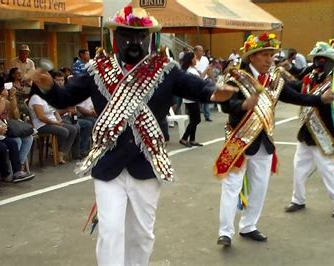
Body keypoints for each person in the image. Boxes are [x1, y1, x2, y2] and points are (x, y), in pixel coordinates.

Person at [29, 5, 239, 265]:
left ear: (150, 38)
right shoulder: (98, 70)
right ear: (115, 36)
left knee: (141, 234)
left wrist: (216, 92)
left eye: (141, 36)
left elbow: (195, 87)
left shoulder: (165, 69)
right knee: (110, 231)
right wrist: (49, 86)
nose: (134, 41)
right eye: (128, 35)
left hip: (146, 163)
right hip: (108, 164)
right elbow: (65, 98)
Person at [214, 34, 334, 247]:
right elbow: (226, 105)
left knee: (260, 185)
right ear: (252, 57)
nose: (270, 59)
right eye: (265, 55)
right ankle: (225, 232)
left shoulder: (275, 79)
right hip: (238, 139)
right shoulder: (235, 77)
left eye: (272, 55)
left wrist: (319, 99)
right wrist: (243, 106)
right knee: (232, 185)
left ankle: (249, 225)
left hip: (264, 140)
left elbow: (294, 97)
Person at [284, 42, 334, 218]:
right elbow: (293, 88)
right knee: (298, 168)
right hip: (305, 133)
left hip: (324, 134)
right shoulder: (308, 80)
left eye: (323, 60)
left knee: (328, 170)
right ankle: (298, 199)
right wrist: (280, 78)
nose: (318, 63)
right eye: (316, 60)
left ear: (330, 63)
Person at [179, 52, 203, 148]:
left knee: (194, 119)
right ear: (190, 60)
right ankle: (184, 138)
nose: (195, 60)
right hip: (192, 98)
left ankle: (192, 139)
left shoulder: (190, 70)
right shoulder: (191, 71)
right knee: (196, 120)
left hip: (191, 98)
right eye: (194, 58)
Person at [194, 45, 214, 122]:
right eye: (200, 51)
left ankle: (207, 116)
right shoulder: (193, 59)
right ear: (195, 52)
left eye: (202, 51)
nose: (202, 52)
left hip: (205, 80)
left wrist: (213, 79)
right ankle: (196, 115)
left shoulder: (205, 59)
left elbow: (209, 69)